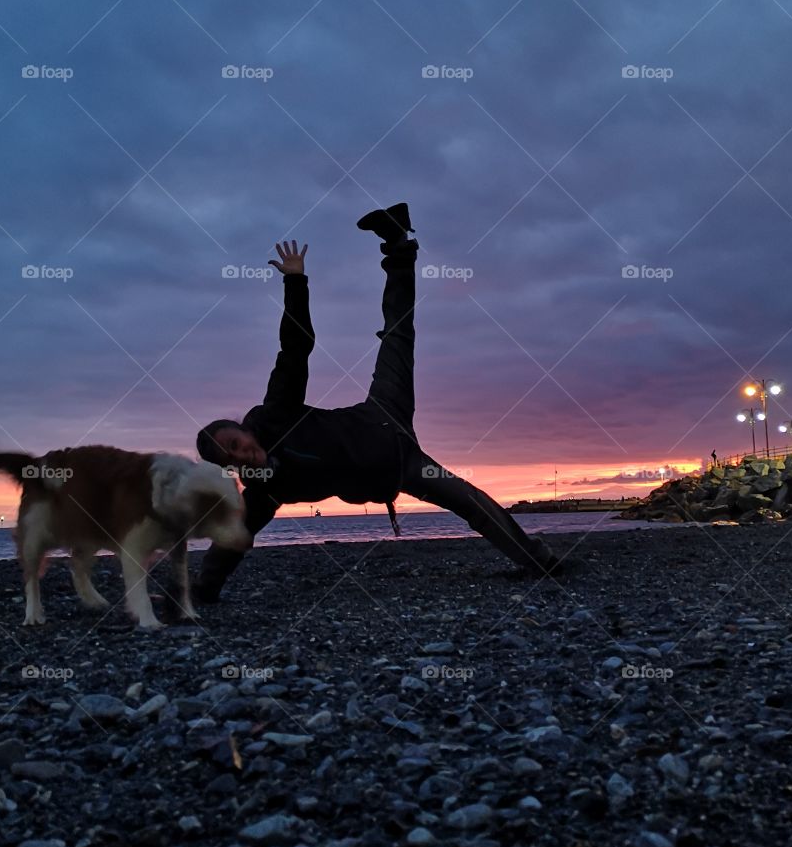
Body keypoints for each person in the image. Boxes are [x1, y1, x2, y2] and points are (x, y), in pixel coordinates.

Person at [193, 205, 563, 601]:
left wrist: (295, 283)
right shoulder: (266, 490)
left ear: (243, 430)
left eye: (234, 443)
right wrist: (202, 592)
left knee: (397, 336)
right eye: (229, 460)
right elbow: (234, 539)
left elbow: (295, 348)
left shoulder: (276, 413)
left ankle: (398, 244)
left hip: (384, 415)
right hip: (404, 469)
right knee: (466, 500)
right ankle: (539, 561)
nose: (241, 455)